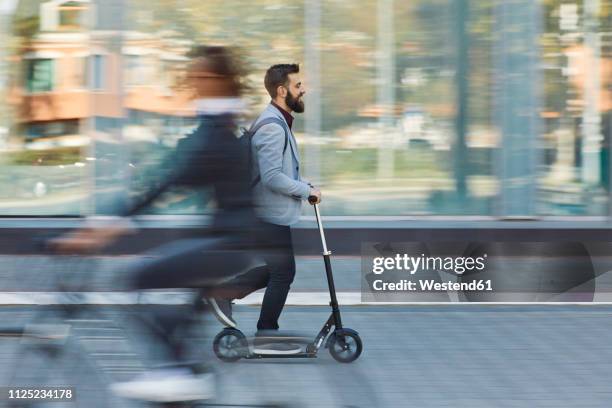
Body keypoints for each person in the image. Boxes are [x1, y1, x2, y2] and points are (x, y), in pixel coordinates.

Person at [53, 45, 258, 403]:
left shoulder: (217, 132)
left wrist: (104, 229)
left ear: (219, 81)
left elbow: (166, 182)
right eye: (191, 77)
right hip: (232, 241)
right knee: (170, 300)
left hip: (233, 244)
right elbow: (171, 180)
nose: (192, 84)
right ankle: (185, 372)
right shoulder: (221, 126)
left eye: (199, 77)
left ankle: (176, 371)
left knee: (138, 276)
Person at [208, 64, 321, 354]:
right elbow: (272, 178)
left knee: (279, 270)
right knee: (283, 273)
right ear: (282, 91)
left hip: (268, 212)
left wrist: (305, 186)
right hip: (268, 213)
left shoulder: (278, 121)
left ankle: (226, 294)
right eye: (298, 85)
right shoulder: (273, 125)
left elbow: (278, 171)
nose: (303, 89)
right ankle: (266, 332)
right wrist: (305, 191)